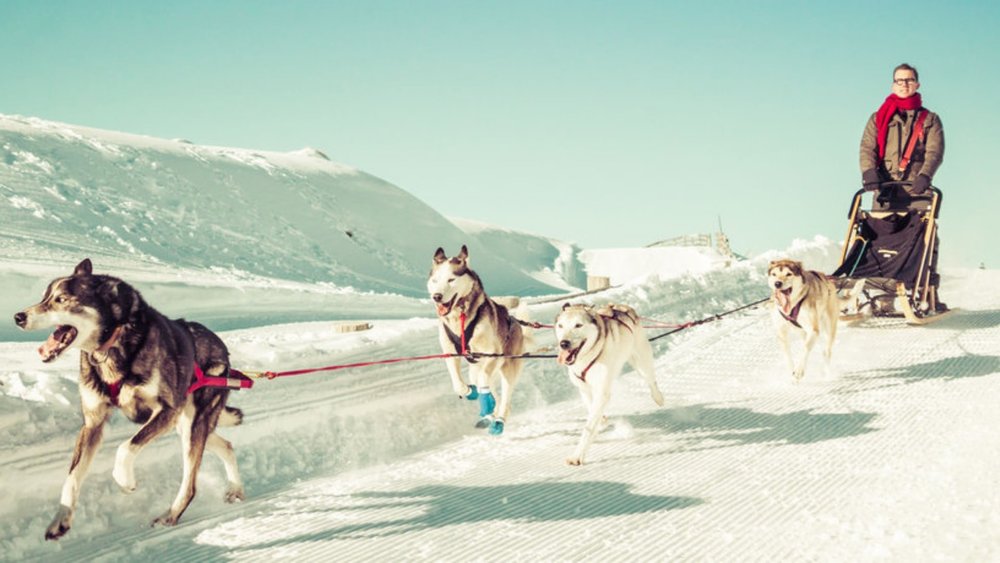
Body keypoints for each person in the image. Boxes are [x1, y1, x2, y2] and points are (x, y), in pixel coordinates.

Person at [859, 63, 946, 310]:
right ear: (892, 84)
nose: (904, 84)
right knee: (881, 239)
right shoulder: (878, 117)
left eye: (909, 80)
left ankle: (928, 291)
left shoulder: (930, 119)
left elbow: (934, 151)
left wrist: (926, 175)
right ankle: (884, 295)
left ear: (917, 84)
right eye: (899, 80)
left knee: (925, 239)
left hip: (917, 188)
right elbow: (867, 148)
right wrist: (869, 173)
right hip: (886, 188)